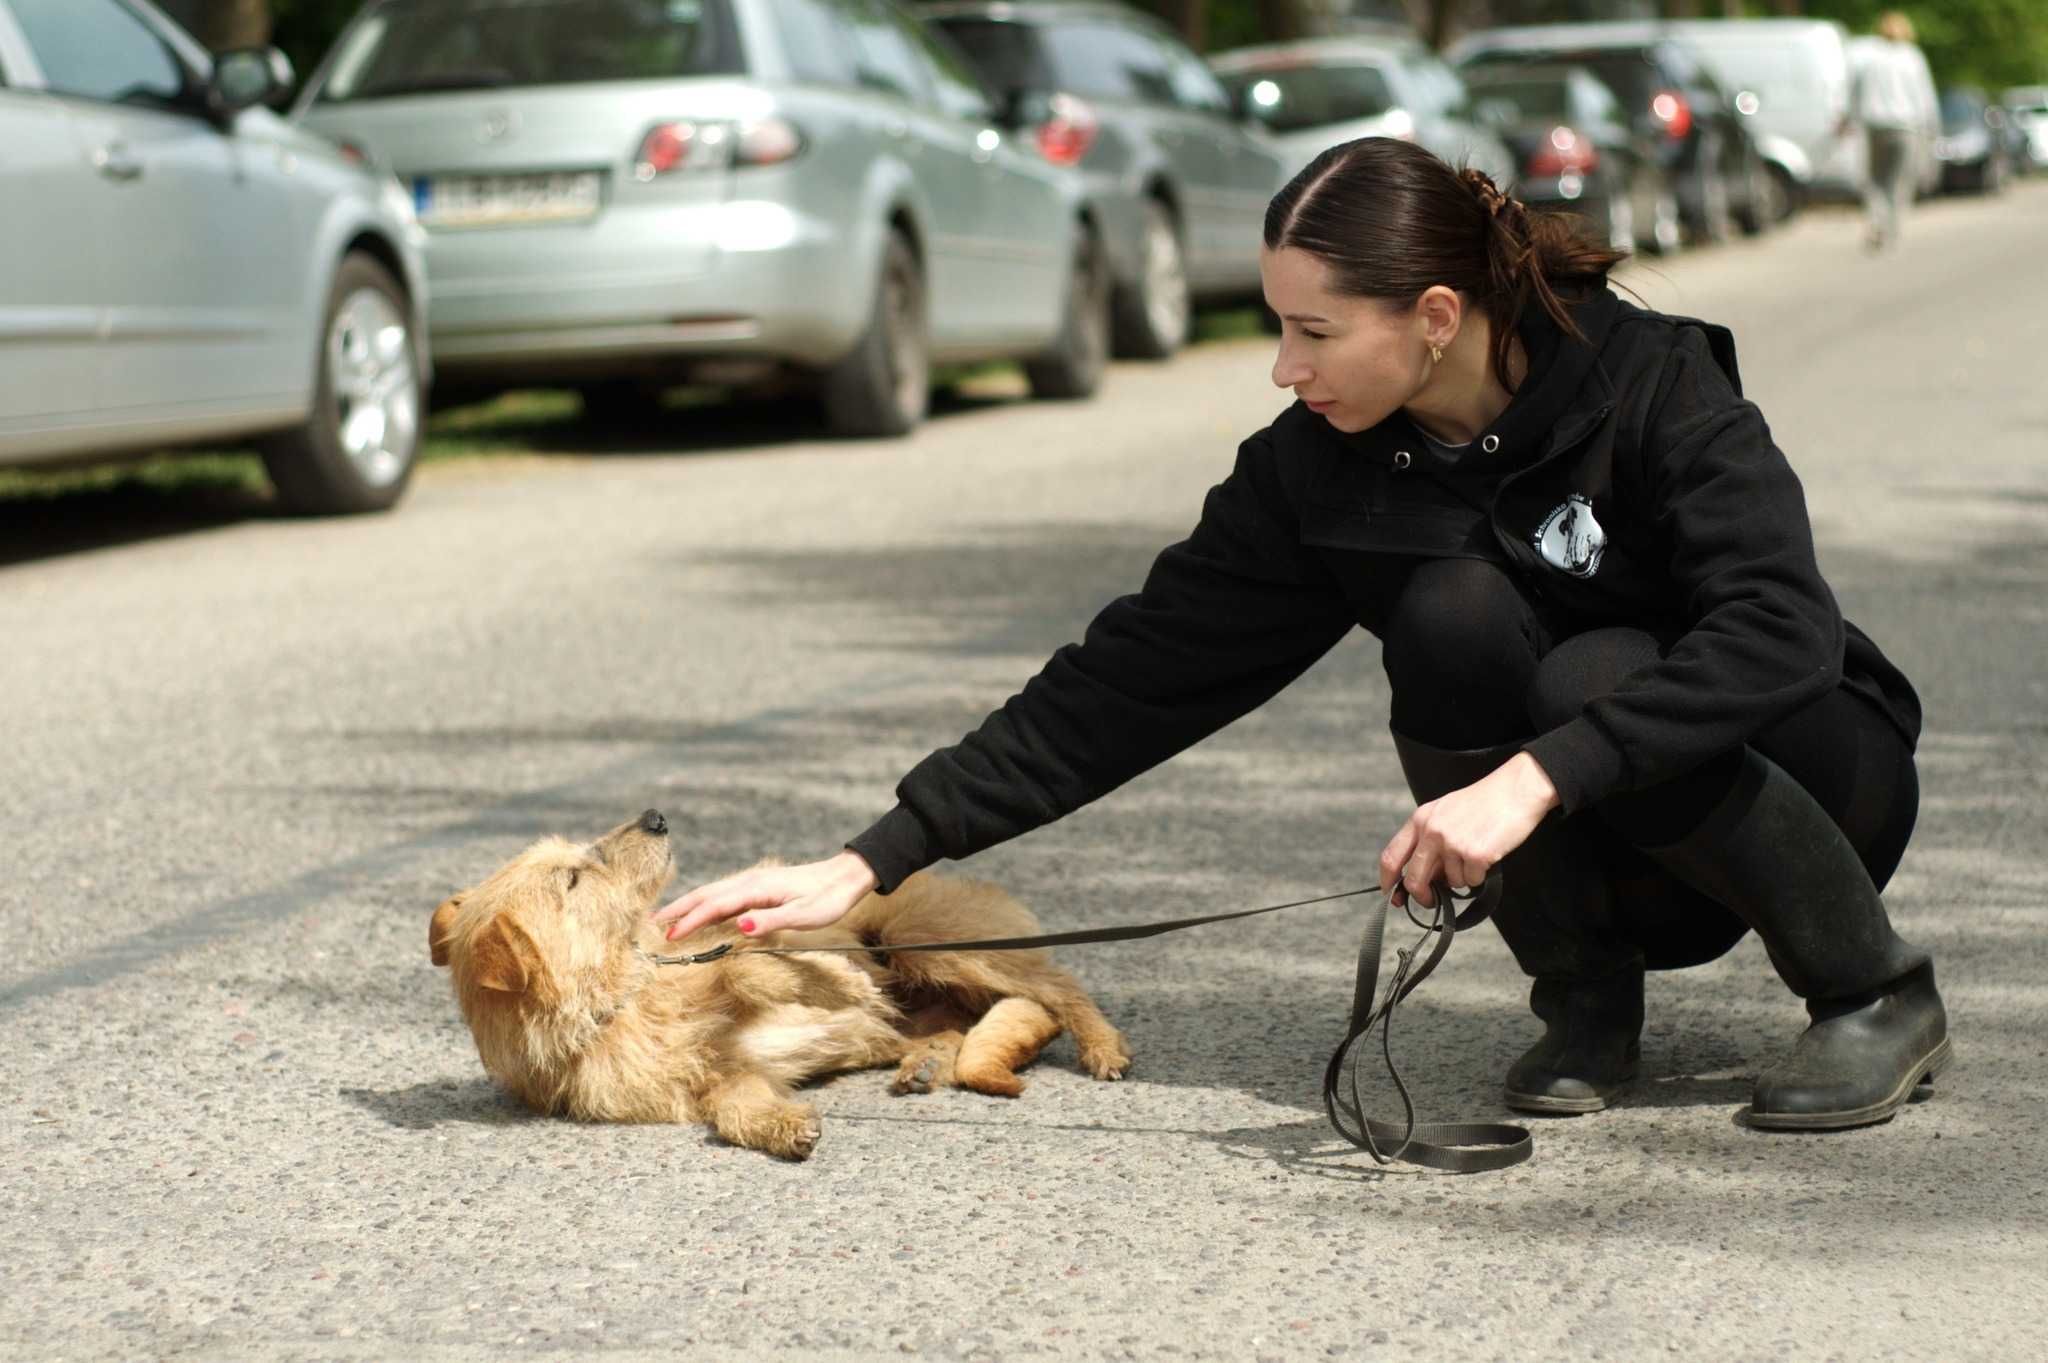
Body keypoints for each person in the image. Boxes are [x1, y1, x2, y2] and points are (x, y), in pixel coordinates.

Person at [653, 138, 1949, 1133]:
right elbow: (1133, 674)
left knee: (1596, 668)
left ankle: (1873, 992)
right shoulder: (1320, 470)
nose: (1286, 366)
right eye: (1281, 325)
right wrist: (870, 860)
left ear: (1434, 316)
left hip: (1815, 784)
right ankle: (1588, 999)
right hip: (1620, 845)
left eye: (1313, 331)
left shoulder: (1651, 381)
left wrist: (1535, 774)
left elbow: (1782, 627)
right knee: (1449, 614)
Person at [1852, 11, 1925, 251]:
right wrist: (1930, 128)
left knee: (1875, 180)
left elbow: (1857, 91)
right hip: (1905, 126)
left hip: (1875, 125)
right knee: (1898, 180)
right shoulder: (1912, 58)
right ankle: (1892, 228)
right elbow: (1923, 97)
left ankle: (1876, 222)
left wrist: (1852, 118)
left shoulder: (1871, 58)